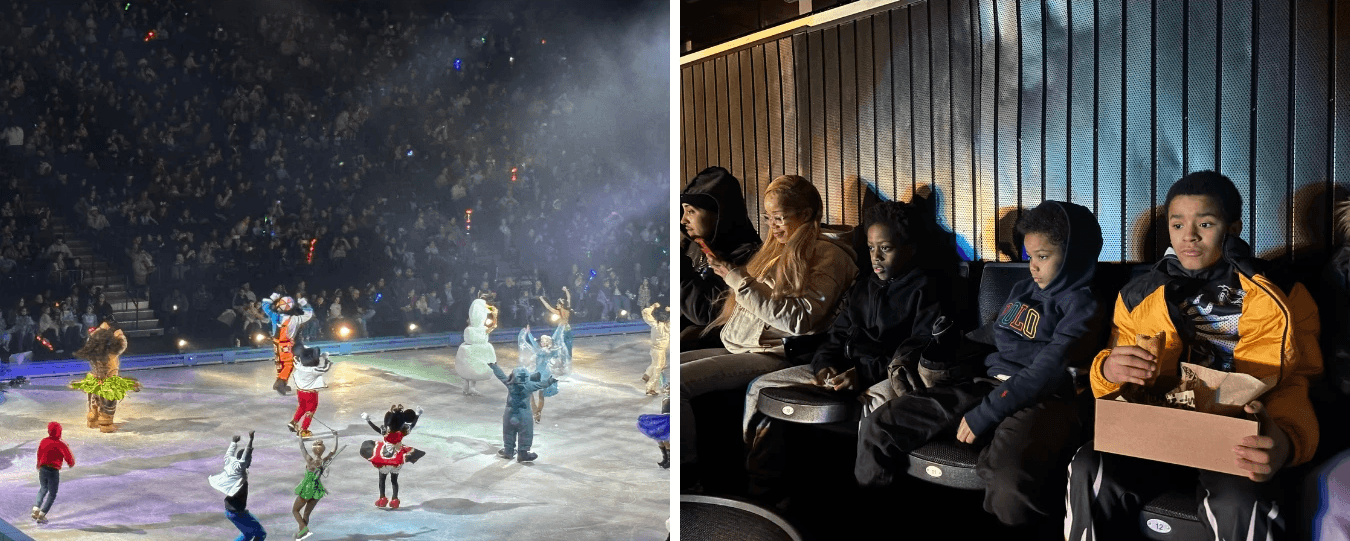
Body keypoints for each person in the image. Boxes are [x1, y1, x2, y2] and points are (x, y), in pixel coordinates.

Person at [1065, 171, 1322, 540]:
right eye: (1177, 224)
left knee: (1241, 501)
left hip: (1235, 433)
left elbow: (1299, 381)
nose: (1189, 236)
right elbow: (1118, 382)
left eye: (1205, 223)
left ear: (1232, 229)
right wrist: (1107, 369)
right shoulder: (1138, 294)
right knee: (1089, 465)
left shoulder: (1282, 293)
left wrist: (1287, 440)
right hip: (1159, 427)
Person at [852, 201, 1105, 529]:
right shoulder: (1024, 289)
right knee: (879, 426)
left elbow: (1047, 371)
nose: (1032, 266)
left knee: (1009, 483)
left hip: (1041, 401)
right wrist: (947, 347)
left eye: (1043, 257)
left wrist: (987, 412)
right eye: (1030, 256)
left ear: (1074, 255)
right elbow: (994, 333)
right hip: (984, 386)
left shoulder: (1083, 305)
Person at [679, 175, 856, 484]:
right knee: (666, 372)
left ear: (806, 214)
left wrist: (739, 281)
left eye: (779, 217)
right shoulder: (778, 248)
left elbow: (799, 320)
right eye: (768, 218)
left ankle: (686, 473)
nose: (772, 226)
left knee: (677, 382)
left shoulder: (829, 255)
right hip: (743, 345)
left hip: (776, 354)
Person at [679, 166, 761, 351]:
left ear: (720, 214)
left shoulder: (747, 255)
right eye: (683, 211)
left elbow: (707, 314)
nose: (683, 220)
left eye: (691, 211)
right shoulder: (697, 246)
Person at [69, 323, 140, 433]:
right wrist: (119, 334)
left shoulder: (93, 353)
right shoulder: (113, 352)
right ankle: (105, 422)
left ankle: (93, 416)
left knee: (94, 399)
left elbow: (90, 339)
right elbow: (123, 344)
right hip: (109, 383)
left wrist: (99, 330)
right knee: (108, 402)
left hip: (96, 381)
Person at [491, 358, 556, 463]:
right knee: (525, 433)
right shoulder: (529, 385)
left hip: (510, 414)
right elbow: (542, 384)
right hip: (524, 414)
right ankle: (523, 453)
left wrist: (494, 366)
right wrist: (551, 380)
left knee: (508, 432)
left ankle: (508, 451)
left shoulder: (510, 383)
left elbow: (501, 375)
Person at [360, 405, 423, 508]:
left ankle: (382, 498)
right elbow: (412, 425)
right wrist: (417, 415)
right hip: (397, 460)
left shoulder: (385, 432)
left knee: (382, 480)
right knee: (394, 481)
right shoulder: (403, 432)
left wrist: (368, 420)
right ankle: (395, 499)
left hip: (384, 459)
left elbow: (375, 428)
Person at [209, 431, 266, 541]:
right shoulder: (239, 468)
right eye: (250, 460)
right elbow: (246, 455)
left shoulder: (232, 464)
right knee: (261, 534)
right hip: (237, 512)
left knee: (247, 535)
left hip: (231, 511)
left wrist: (234, 442)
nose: (250, 462)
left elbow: (229, 455)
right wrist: (251, 439)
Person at [262, 293, 314, 395]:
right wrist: (303, 303)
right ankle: (280, 382)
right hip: (285, 344)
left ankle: (281, 382)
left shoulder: (274, 315)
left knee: (280, 363)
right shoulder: (295, 319)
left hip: (276, 342)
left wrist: (272, 298)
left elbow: (265, 306)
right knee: (288, 364)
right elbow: (309, 313)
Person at [293, 432, 338, 540]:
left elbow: (302, 448)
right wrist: (335, 436)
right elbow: (333, 451)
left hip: (307, 488)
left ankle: (304, 529)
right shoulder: (324, 461)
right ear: (322, 450)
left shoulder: (309, 459)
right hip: (317, 489)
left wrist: (300, 437)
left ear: (313, 450)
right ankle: (302, 533)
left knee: (295, 510)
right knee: (306, 514)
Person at [32, 421, 75, 524]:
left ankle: (36, 509)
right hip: (53, 471)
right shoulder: (61, 444)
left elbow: (39, 453)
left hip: (43, 469)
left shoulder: (44, 441)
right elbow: (69, 458)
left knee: (43, 488)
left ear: (49, 431)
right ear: (59, 432)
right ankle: (42, 515)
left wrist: (38, 464)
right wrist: (71, 463)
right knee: (52, 493)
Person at [456, 298, 497, 396]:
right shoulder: (471, 329)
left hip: (476, 349)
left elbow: (493, 309)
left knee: (472, 368)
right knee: (469, 368)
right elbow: (492, 309)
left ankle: (469, 387)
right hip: (472, 349)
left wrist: (491, 309)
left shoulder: (479, 328)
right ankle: (468, 387)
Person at [288, 347, 333, 438]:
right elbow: (325, 368)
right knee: (310, 411)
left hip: (300, 391)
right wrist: (326, 359)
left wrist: (304, 351)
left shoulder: (298, 365)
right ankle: (303, 430)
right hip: (310, 394)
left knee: (302, 407)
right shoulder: (313, 370)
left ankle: (294, 422)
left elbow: (295, 358)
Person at [641, 302, 671, 395]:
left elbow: (645, 313)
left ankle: (647, 374)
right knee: (658, 369)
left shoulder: (654, 324)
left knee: (658, 365)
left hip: (655, 350)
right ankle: (650, 388)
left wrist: (653, 306)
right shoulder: (668, 327)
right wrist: (670, 311)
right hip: (659, 351)